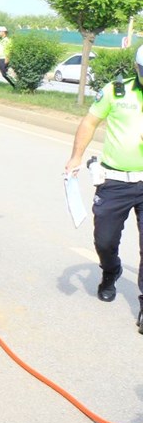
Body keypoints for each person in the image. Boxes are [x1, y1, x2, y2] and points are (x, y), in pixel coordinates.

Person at [64, 45, 143, 330]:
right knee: (105, 241)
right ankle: (111, 271)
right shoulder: (116, 91)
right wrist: (76, 156)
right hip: (115, 181)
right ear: (138, 69)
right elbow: (90, 122)